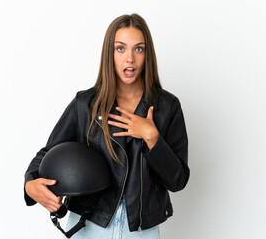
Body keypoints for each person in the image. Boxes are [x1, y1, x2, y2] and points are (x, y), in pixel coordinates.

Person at [24, 13, 190, 239]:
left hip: (141, 231)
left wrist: (152, 137)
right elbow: (47, 153)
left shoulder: (167, 107)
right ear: (109, 53)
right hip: (89, 225)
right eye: (120, 48)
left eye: (138, 49)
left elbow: (178, 180)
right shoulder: (85, 104)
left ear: (147, 54)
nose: (129, 58)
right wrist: (30, 184)